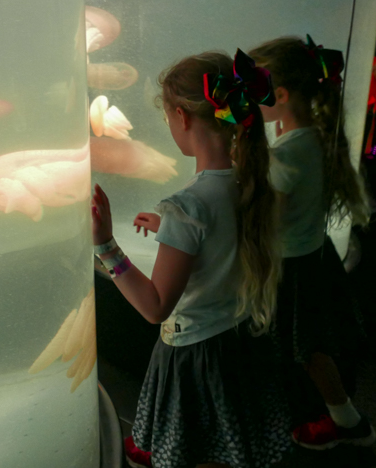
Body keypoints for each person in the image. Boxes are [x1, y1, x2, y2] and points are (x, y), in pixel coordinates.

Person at [91, 49, 292, 468]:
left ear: (181, 117)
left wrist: (106, 244)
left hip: (196, 355)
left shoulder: (188, 206)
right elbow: (222, 239)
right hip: (240, 342)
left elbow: (154, 306)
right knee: (226, 443)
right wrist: (170, 230)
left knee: (195, 448)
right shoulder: (250, 184)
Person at [247, 35, 375, 451]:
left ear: (280, 95)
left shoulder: (287, 155)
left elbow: (267, 217)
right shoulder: (314, 136)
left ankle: (347, 421)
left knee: (308, 351)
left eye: (254, 93)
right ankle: (333, 414)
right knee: (312, 346)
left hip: (294, 268)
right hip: (315, 257)